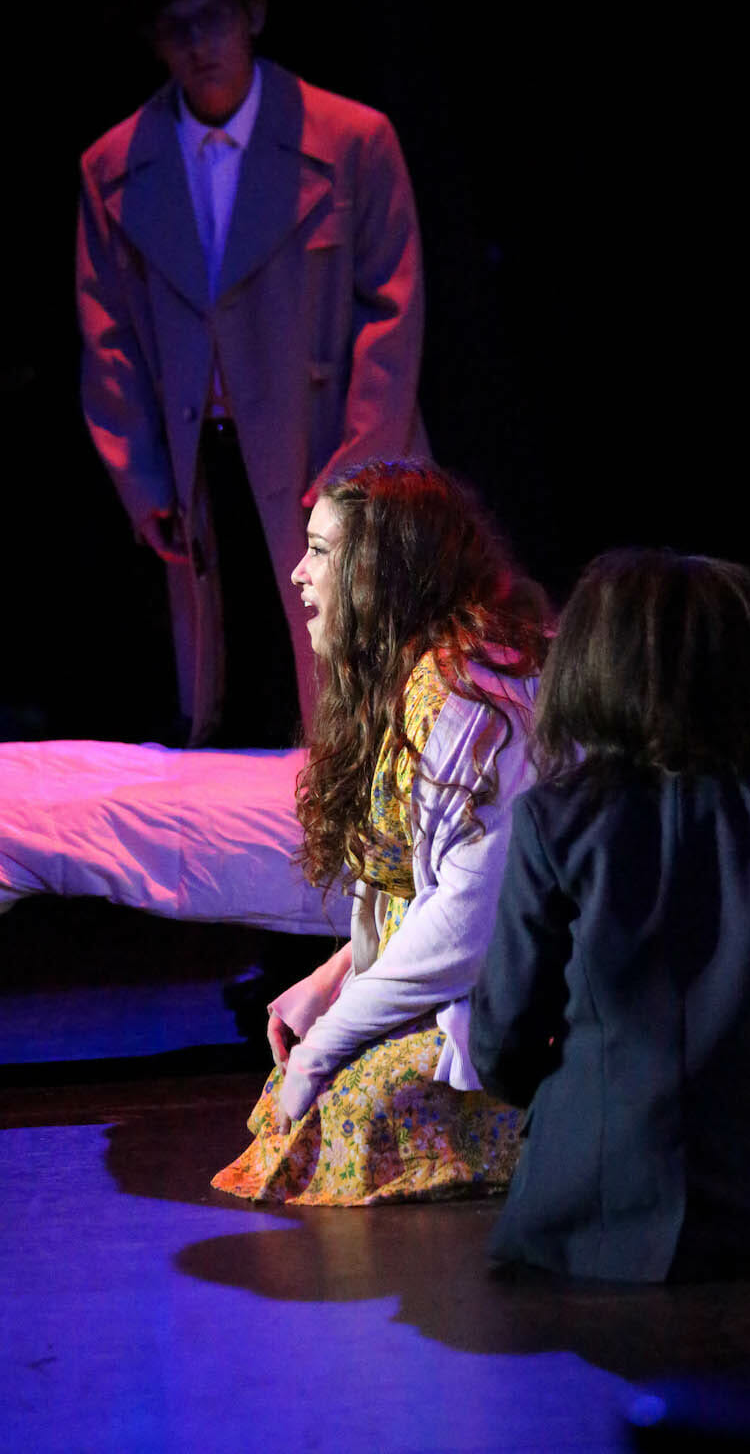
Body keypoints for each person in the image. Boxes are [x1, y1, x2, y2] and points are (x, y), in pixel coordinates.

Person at [470, 550, 750, 1282]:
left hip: (588, 1220)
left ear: (592, 668)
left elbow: (503, 1041)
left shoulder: (553, 821)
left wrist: (596, 1093)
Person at [77, 0, 426, 747]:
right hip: (203, 470)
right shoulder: (115, 167)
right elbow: (107, 335)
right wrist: (145, 482)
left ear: (254, 15)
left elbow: (392, 308)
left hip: (324, 453)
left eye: (214, 18)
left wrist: (359, 470)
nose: (199, 44)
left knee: (353, 688)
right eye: (176, 27)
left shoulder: (351, 139)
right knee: (230, 693)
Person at [211, 460, 549, 1203]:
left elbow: (467, 923)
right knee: (304, 1096)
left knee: (349, 1104)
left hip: (519, 1003)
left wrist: (330, 1041)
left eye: (320, 551)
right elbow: (419, 889)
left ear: (379, 573)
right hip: (465, 979)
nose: (298, 573)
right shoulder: (407, 679)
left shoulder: (466, 700)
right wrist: (331, 981)